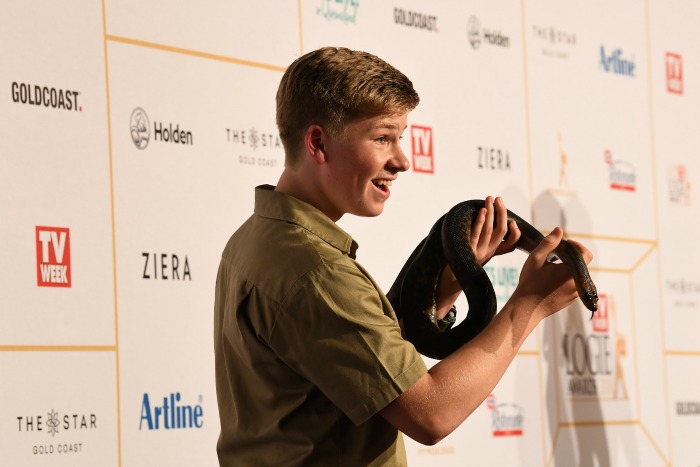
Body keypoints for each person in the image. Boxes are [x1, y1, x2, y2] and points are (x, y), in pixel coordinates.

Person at [213, 46, 592, 466]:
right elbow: (430, 414)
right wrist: (530, 304)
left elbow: (362, 369)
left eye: (401, 138)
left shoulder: (255, 240)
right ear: (318, 142)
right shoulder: (317, 272)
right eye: (382, 138)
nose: (403, 161)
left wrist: (449, 284)